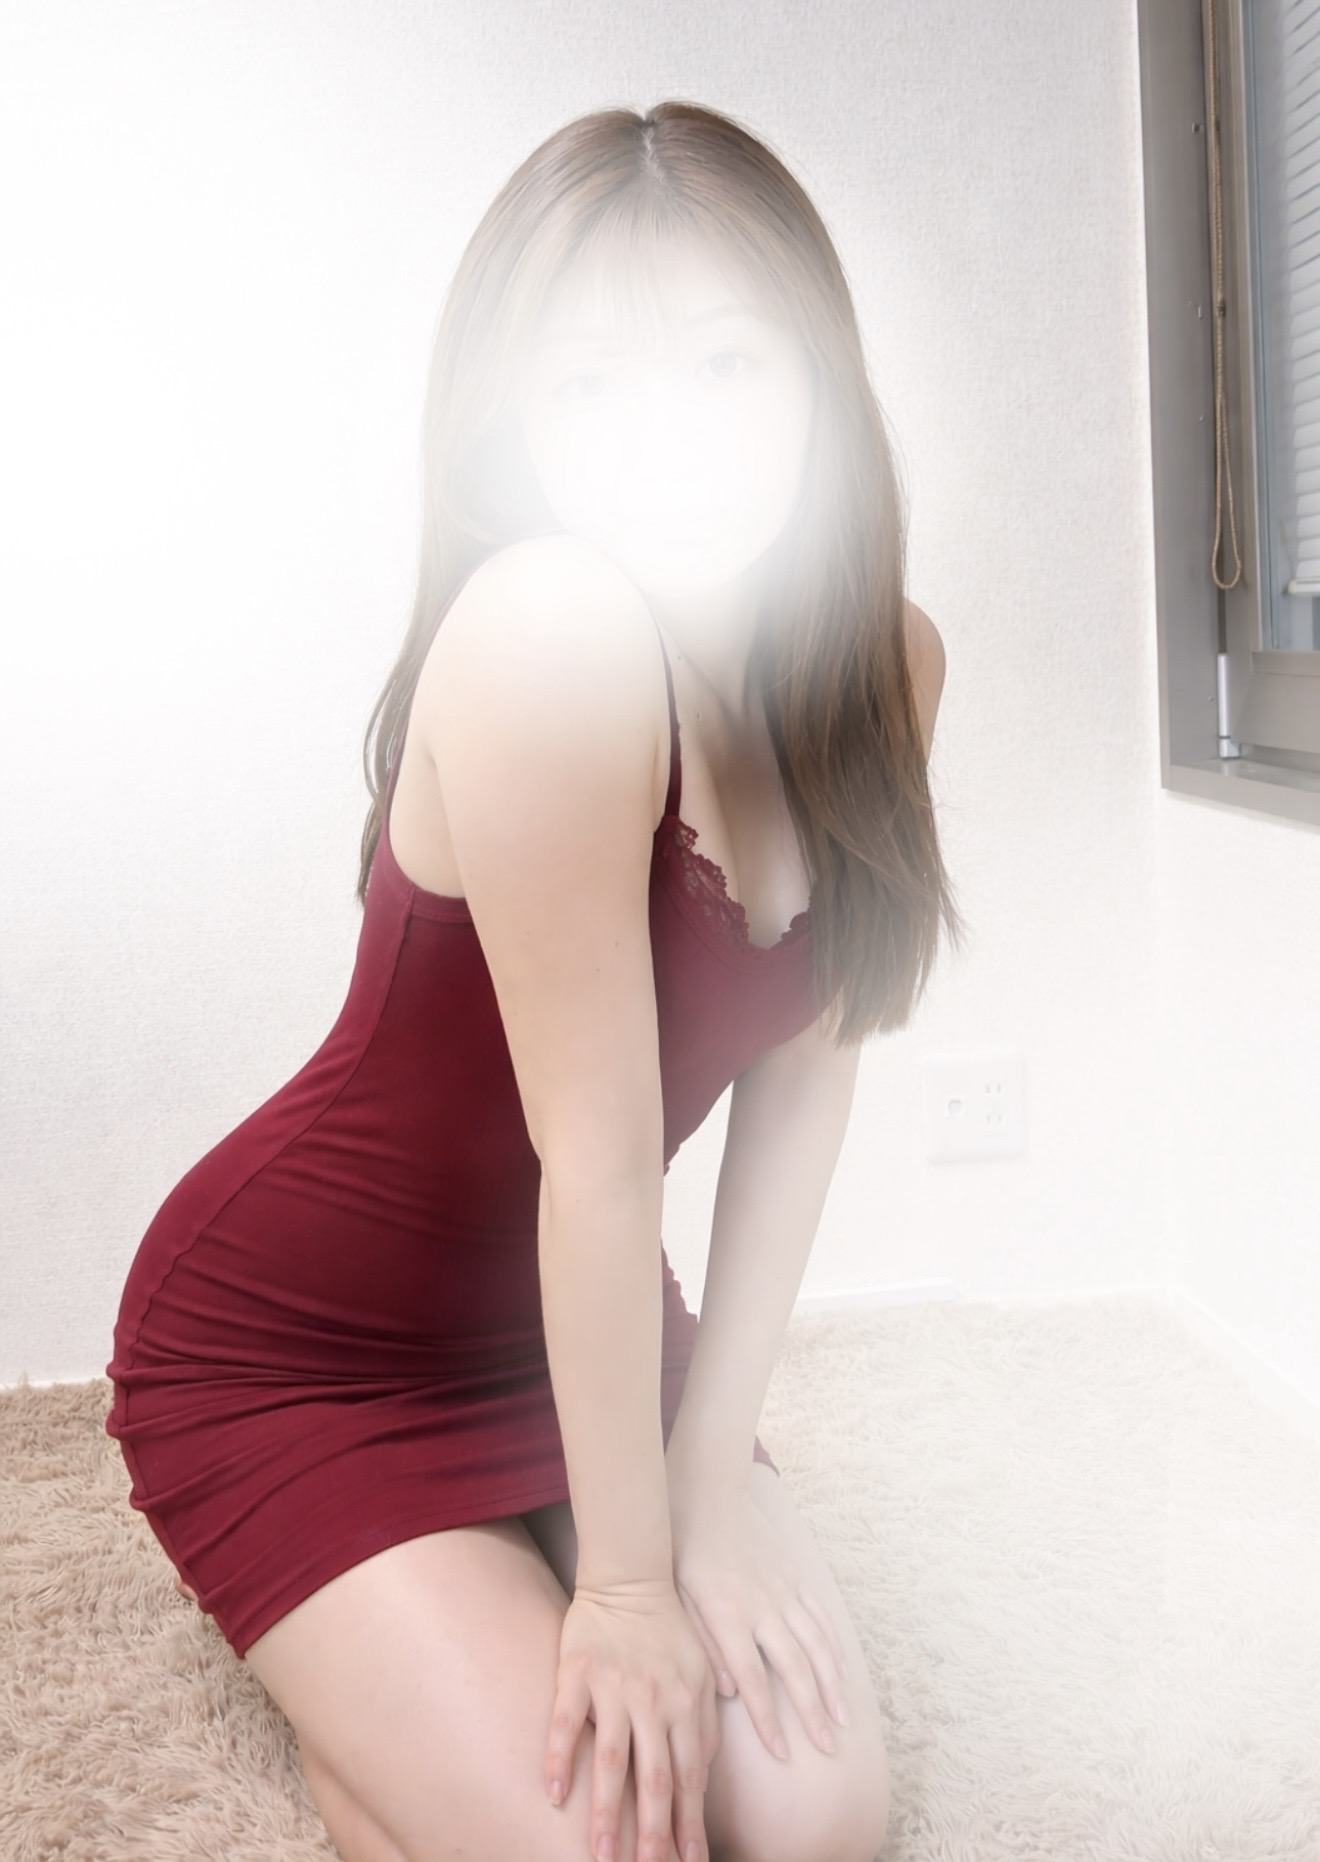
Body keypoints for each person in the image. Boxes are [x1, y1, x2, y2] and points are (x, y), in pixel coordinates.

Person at [105, 99, 962, 1862]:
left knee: (819, 1825)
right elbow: (602, 1148)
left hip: (588, 1319)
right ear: (519, 426)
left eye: (730, 362)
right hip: (304, 1350)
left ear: (822, 377)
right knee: (622, 1842)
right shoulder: (552, 628)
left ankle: (431, 1705)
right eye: (593, 386)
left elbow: (809, 1080)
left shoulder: (889, 660)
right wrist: (629, 1587)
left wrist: (709, 1474)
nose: (676, 434)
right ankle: (372, 1687)